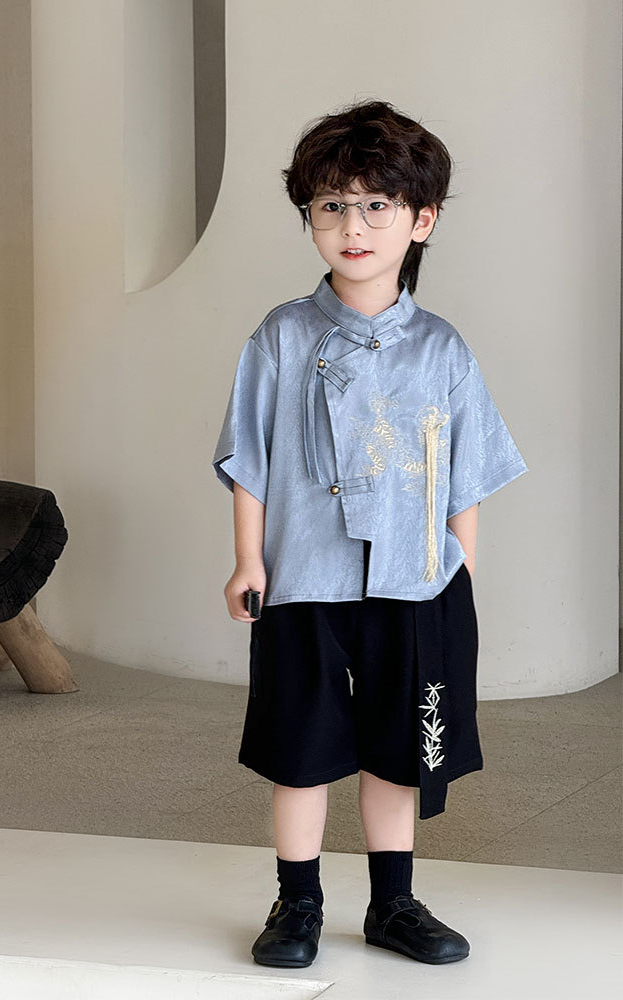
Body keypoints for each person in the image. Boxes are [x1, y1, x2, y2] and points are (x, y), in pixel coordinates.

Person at [211, 99, 528, 969]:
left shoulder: (442, 348)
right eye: (332, 206)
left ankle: (394, 903)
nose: (353, 227)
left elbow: (467, 471)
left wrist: (460, 571)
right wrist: (247, 559)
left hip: (415, 582)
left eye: (377, 205)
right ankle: (297, 903)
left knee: (399, 754)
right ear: (310, 217)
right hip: (302, 579)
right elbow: (250, 456)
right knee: (302, 751)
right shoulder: (281, 336)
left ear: (422, 219)